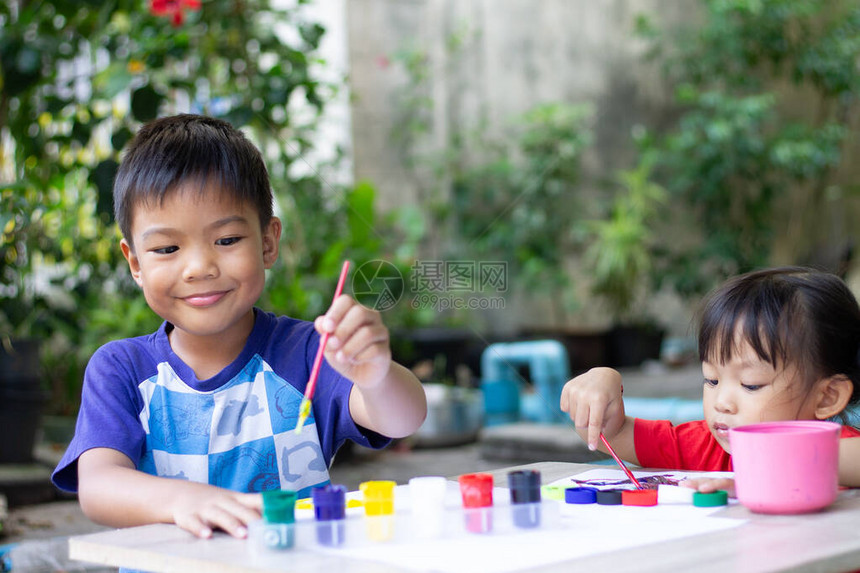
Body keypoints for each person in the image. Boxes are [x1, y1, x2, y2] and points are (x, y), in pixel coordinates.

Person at [51, 114, 427, 540]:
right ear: (135, 263)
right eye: (167, 248)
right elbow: (98, 487)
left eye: (226, 240)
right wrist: (183, 501)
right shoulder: (121, 369)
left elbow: (403, 419)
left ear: (268, 242)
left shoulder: (308, 353)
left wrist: (376, 376)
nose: (199, 268)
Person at [560, 266, 860, 495]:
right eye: (712, 380)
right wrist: (602, 380)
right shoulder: (705, 445)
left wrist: (760, 474)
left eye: (751, 384)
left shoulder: (843, 450)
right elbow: (615, 434)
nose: (722, 402)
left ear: (827, 397)